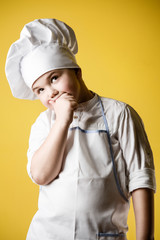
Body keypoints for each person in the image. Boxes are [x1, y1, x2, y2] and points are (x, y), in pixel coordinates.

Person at [5, 18, 156, 240]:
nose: (50, 93)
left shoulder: (119, 114)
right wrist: (62, 121)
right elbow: (40, 174)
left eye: (54, 78)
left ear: (77, 72)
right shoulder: (44, 123)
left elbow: (141, 178)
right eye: (40, 90)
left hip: (102, 235)